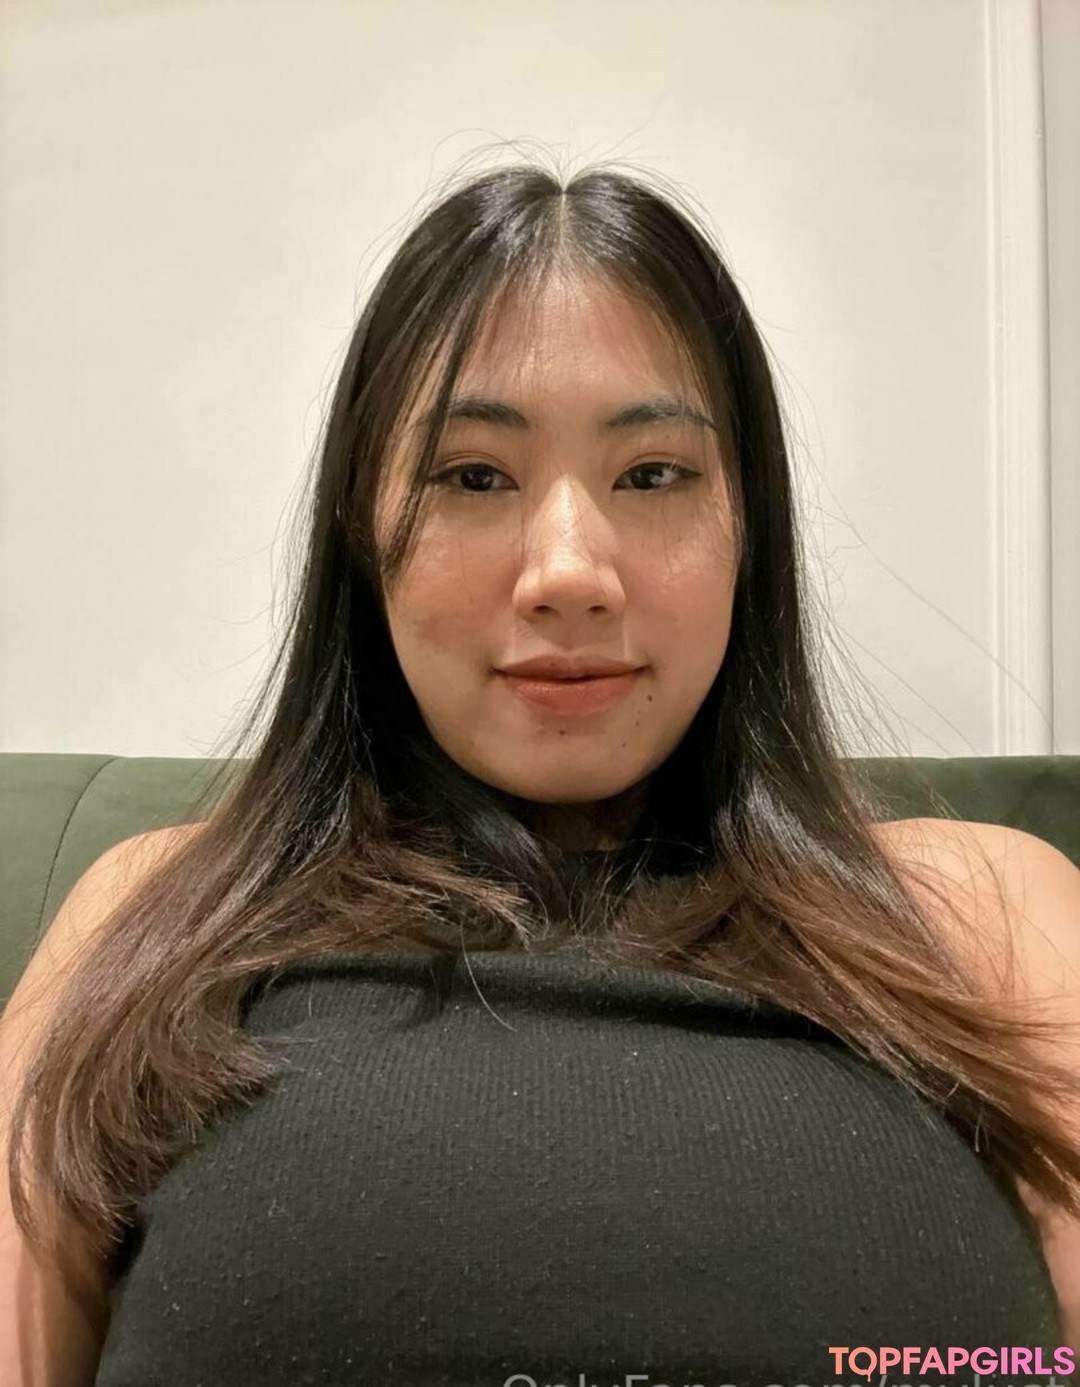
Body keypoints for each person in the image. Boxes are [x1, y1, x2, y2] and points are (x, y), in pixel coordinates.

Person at [3, 157, 1080, 1387]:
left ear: (749, 530)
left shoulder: (984, 915)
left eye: (653, 474)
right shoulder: (158, 910)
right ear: (362, 530)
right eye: (473, 476)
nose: (570, 569)